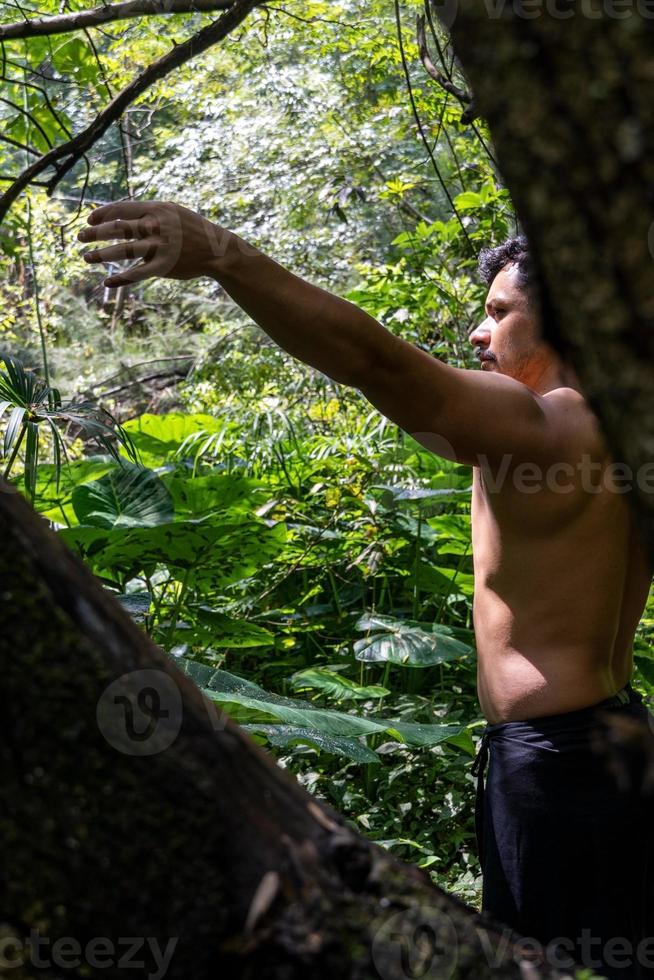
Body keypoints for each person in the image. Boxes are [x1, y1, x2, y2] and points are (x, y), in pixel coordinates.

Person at [79, 201, 654, 977]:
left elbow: (378, 364)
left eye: (498, 313)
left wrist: (225, 256)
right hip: (620, 740)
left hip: (559, 773)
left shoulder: (540, 427)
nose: (478, 335)